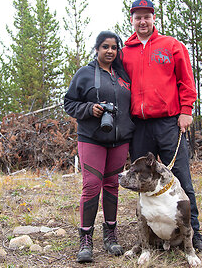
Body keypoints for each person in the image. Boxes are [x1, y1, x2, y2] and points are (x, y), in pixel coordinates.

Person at [122, 0, 202, 252]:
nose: (142, 21)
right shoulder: (124, 52)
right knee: (141, 180)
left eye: (146, 16)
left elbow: (186, 80)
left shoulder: (171, 45)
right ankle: (147, 235)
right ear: (132, 20)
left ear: (153, 19)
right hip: (139, 126)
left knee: (182, 177)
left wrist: (186, 111)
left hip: (168, 123)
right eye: (137, 17)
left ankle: (193, 234)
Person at [64, 31, 134, 263]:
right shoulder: (84, 73)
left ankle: (111, 235)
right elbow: (69, 102)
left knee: (112, 185)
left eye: (114, 47)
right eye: (105, 47)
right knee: (92, 185)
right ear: (96, 49)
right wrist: (89, 109)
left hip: (119, 139)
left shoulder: (123, 75)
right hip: (91, 138)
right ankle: (85, 239)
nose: (110, 51)